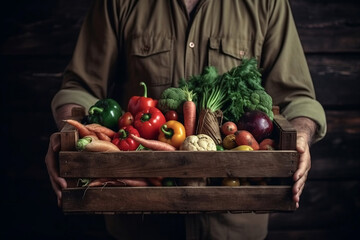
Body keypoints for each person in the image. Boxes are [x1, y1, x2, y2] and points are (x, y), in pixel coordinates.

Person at [45, 0, 327, 239]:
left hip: (235, 224)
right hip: (138, 221)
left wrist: (301, 134)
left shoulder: (265, 4)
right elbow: (79, 88)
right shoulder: (119, 3)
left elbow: (297, 97)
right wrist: (67, 131)